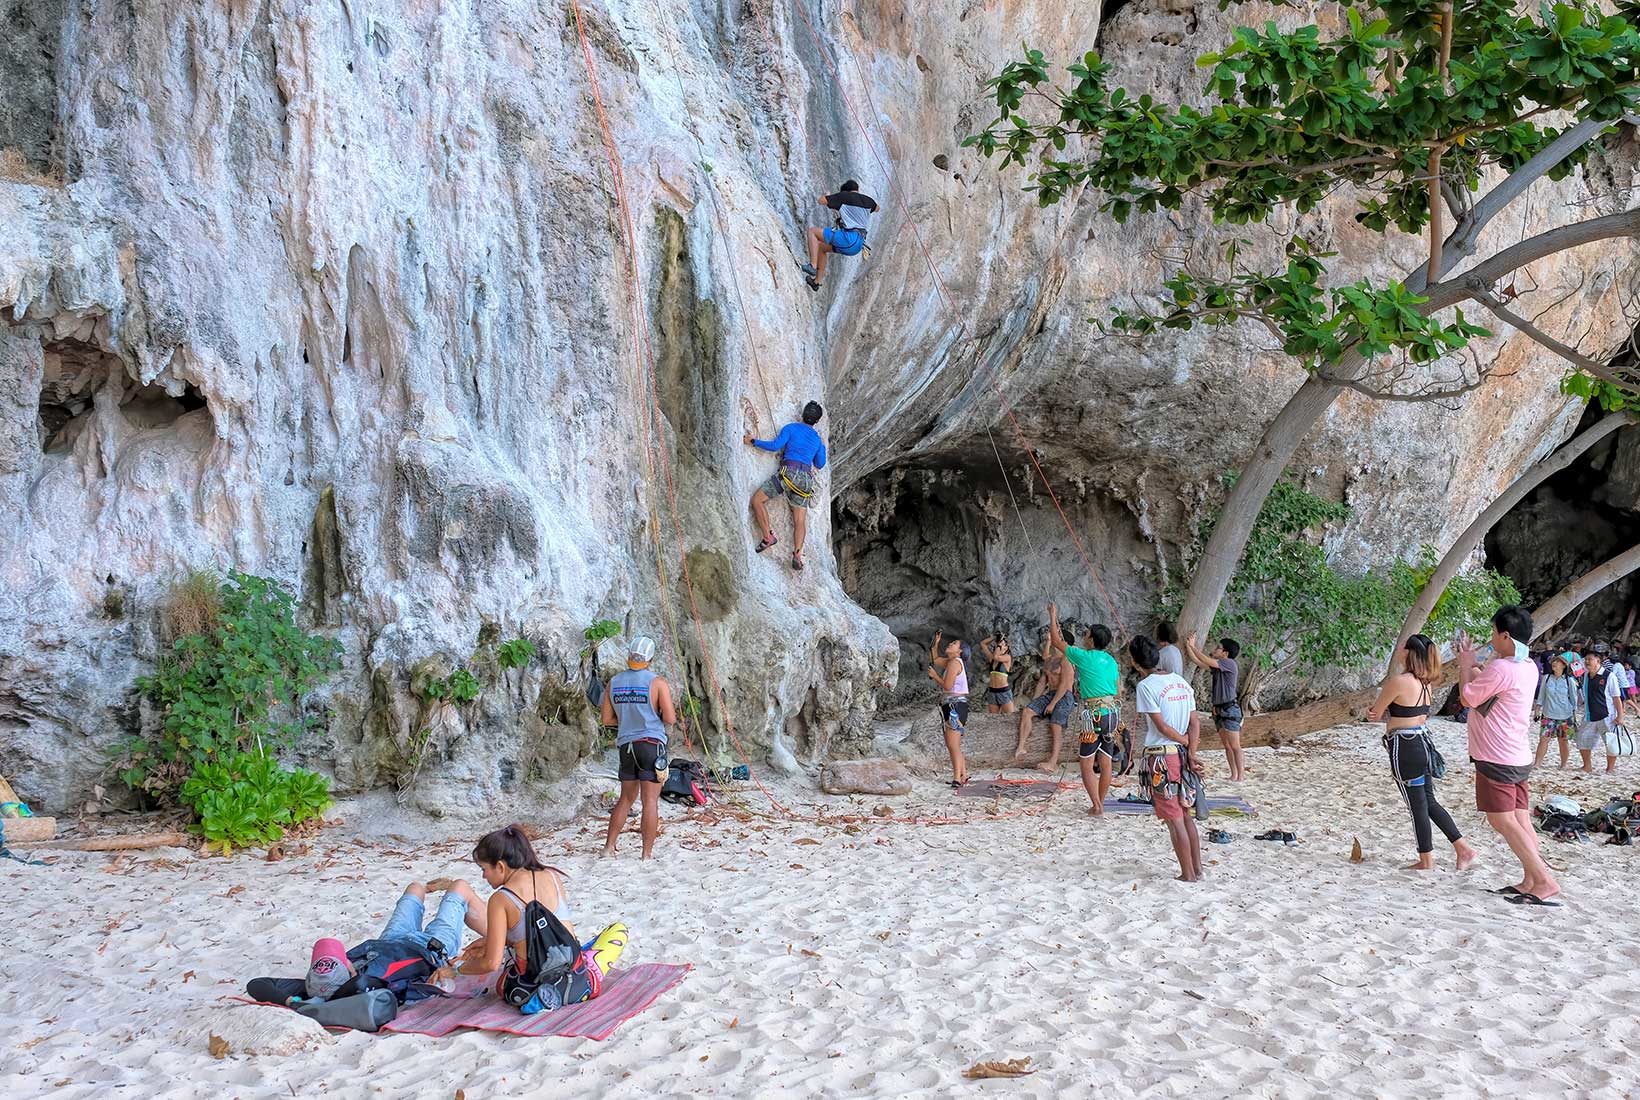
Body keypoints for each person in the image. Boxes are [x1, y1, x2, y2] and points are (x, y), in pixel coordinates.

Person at [453, 825, 628, 1013]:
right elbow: (548, 932)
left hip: (532, 982)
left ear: (501, 866)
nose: (483, 875)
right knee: (619, 930)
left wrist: (457, 970)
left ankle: (544, 995)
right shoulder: (552, 876)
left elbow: (491, 963)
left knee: (504, 980)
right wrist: (495, 941)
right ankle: (583, 971)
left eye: (484, 868)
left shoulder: (500, 899)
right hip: (575, 974)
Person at [1460, 605, 1559, 906]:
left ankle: (1543, 879)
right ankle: (1531, 877)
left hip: (1496, 754)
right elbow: (1492, 684)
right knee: (1519, 819)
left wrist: (1465, 664)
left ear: (1504, 636)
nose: (1491, 639)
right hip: (1517, 754)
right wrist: (1479, 665)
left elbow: (1467, 696)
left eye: (1493, 634)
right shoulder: (1528, 665)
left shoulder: (1503, 667)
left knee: (1501, 819)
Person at [1367, 635, 1478, 871]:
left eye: (1402, 646)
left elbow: (1375, 713)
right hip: (1423, 742)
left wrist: (1381, 714)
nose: (1399, 649)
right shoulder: (1426, 682)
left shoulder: (1399, 681)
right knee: (1428, 801)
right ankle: (1462, 848)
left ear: (1408, 653)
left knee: (1416, 805)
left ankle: (1426, 859)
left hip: (1404, 746)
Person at [1130, 634, 1203, 881]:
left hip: (1162, 757)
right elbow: (1194, 723)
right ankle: (1198, 869)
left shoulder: (1145, 686)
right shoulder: (1181, 682)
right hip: (1182, 756)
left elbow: (1161, 727)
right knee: (1185, 814)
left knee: (1174, 819)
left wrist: (1183, 742)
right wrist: (1191, 751)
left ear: (1135, 663)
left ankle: (1188, 874)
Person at [601, 636, 677, 859]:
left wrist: (627, 720)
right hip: (651, 745)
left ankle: (608, 847)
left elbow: (606, 719)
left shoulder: (614, 682)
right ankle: (646, 854)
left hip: (626, 747)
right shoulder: (657, 682)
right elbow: (670, 718)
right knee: (650, 801)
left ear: (629, 655)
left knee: (625, 798)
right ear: (650, 659)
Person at [1046, 603, 1123, 806]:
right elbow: (1118, 689)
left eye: (1086, 634)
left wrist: (1052, 615)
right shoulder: (1111, 661)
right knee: (1105, 761)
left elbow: (1056, 640)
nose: (1084, 637)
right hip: (1112, 714)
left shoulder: (1084, 657)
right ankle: (1101, 802)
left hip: (1095, 714)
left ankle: (1097, 806)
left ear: (1091, 639)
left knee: (1087, 763)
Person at [745, 401, 828, 572]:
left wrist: (753, 441)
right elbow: (820, 464)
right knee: (799, 520)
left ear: (803, 414)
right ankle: (797, 554)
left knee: (757, 501)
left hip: (788, 474)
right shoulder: (817, 441)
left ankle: (768, 537)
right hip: (805, 480)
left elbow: (775, 446)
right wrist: (819, 447)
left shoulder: (791, 428)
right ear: (817, 421)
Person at [1013, 622, 1076, 769]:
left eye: (1057, 637)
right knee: (1027, 711)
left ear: (1064, 642)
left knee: (1055, 724)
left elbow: (1064, 685)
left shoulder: (1067, 659)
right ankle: (1021, 746)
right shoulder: (1049, 660)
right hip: (1051, 694)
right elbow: (1042, 681)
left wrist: (1053, 704)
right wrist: (1036, 701)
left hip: (1064, 696)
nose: (1054, 638)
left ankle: (1053, 762)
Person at [1183, 632, 1245, 780]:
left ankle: (1241, 776)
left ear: (1225, 653)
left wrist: (1193, 645)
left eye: (1218, 647)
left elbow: (1205, 659)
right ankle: (1234, 775)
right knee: (1228, 746)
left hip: (1230, 710)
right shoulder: (1218, 667)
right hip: (1219, 710)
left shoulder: (1229, 663)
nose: (1215, 649)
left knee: (1235, 745)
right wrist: (1188, 646)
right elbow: (1197, 661)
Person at [799, 179, 879, 291]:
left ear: (846, 191)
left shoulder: (844, 196)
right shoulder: (868, 201)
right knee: (821, 248)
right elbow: (877, 208)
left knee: (812, 232)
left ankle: (812, 265)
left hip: (849, 239)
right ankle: (816, 282)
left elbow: (821, 201)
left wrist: (830, 196)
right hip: (858, 245)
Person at [928, 631, 970, 787]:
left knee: (952, 744)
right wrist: (936, 643)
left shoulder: (954, 663)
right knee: (954, 744)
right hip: (954, 705)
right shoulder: (952, 661)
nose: (950, 644)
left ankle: (957, 778)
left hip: (955, 705)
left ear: (960, 651)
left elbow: (947, 686)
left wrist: (934, 675)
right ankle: (963, 774)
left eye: (954, 644)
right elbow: (936, 659)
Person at [1579, 648, 1627, 774]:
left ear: (1598, 661)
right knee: (1582, 740)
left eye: (1590, 659)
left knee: (1610, 742)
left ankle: (1610, 768)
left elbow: (1616, 698)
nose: (1587, 662)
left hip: (1607, 715)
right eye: (1586, 659)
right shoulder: (1586, 675)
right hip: (1589, 714)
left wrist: (1620, 716)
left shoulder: (1609, 676)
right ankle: (1587, 766)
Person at [1534, 652, 1580, 769]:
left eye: (1558, 662)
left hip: (1565, 715)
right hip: (1548, 714)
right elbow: (1541, 696)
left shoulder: (1569, 680)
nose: (1554, 663)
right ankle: (1537, 763)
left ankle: (1563, 764)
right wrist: (1537, 711)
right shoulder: (1547, 678)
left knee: (1563, 740)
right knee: (1544, 739)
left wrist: (1574, 715)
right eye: (1554, 661)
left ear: (1564, 665)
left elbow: (1574, 699)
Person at [979, 633, 1017, 714]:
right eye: (999, 645)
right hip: (992, 691)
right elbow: (983, 644)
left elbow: (997, 657)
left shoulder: (1007, 657)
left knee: (1010, 716)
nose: (1000, 646)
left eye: (1003, 645)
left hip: (1003, 691)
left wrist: (999, 647)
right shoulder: (992, 659)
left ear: (1007, 648)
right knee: (993, 718)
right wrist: (994, 637)